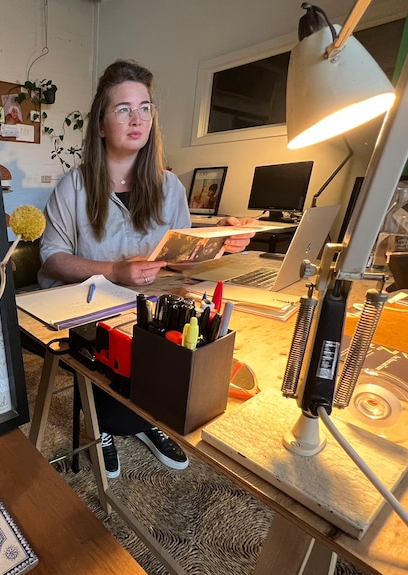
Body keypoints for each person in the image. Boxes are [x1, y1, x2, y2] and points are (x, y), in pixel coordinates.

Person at [39, 59, 257, 478]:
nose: (136, 118)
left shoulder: (168, 186)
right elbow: (52, 258)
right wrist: (114, 271)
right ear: (101, 124)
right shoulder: (75, 187)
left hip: (152, 308)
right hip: (95, 313)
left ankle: (146, 424)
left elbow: (179, 257)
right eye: (122, 109)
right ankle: (104, 426)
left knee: (183, 352)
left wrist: (219, 241)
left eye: (144, 107)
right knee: (117, 381)